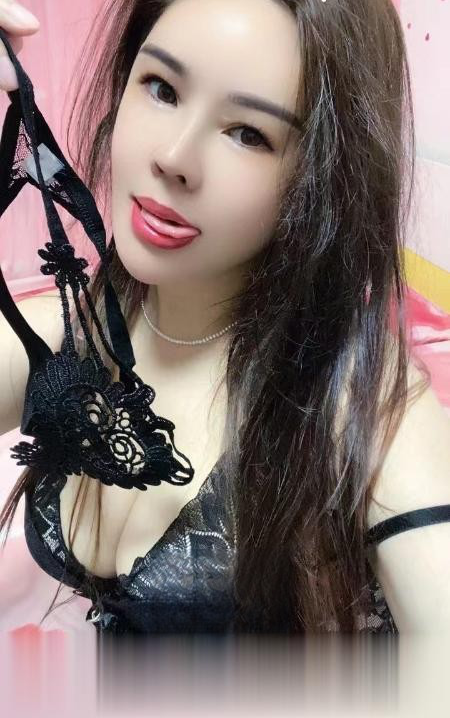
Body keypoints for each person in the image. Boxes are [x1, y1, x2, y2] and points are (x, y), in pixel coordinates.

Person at [0, 0, 449, 636]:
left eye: (249, 134)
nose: (174, 156)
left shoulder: (359, 403)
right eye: (162, 88)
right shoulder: (60, 332)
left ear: (320, 177)